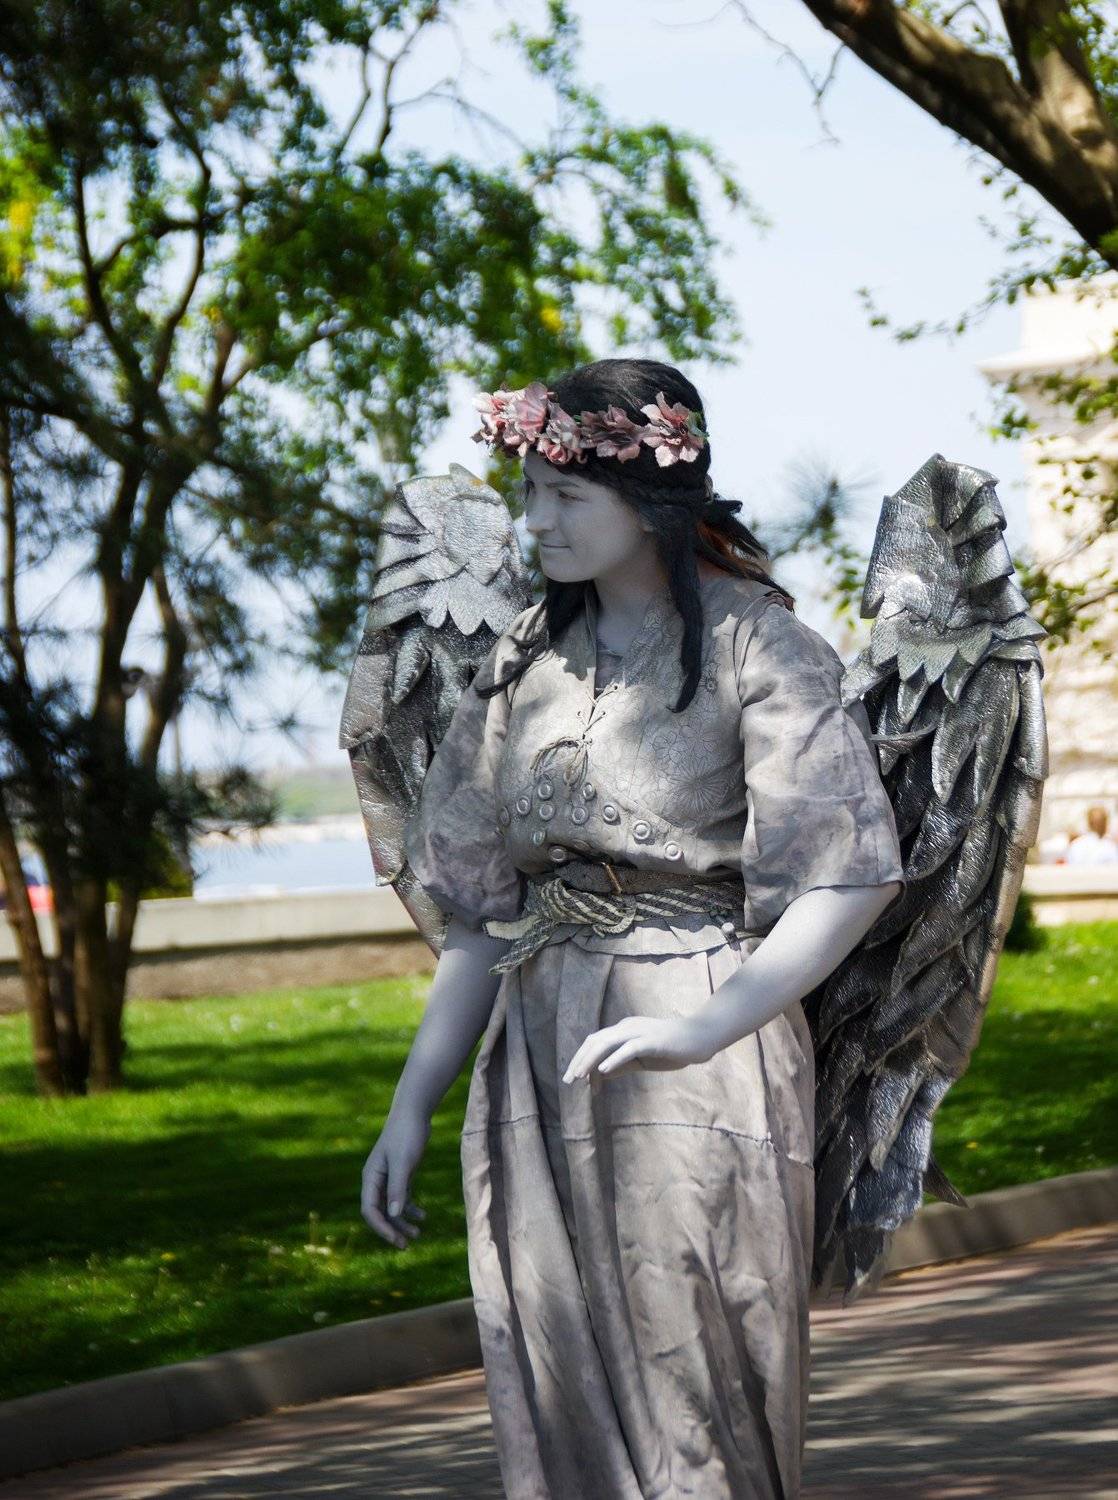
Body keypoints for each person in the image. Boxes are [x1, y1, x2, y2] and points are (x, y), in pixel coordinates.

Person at [360, 358, 906, 1499]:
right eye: (530, 491)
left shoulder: (758, 646)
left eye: (568, 495)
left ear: (651, 498)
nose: (537, 521)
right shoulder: (523, 660)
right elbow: (478, 918)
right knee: (554, 1366)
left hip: (696, 1032)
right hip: (537, 1045)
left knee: (692, 1373)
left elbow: (847, 876)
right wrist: (411, 1103)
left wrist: (708, 1027)